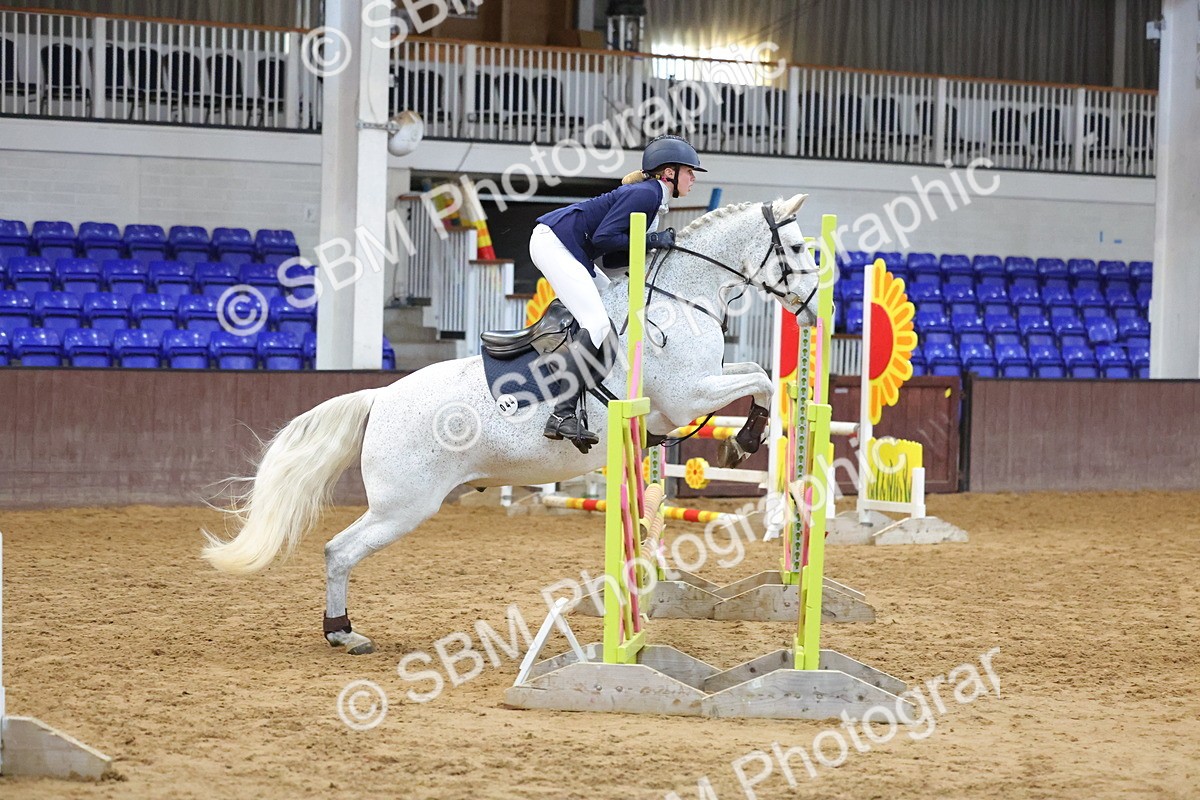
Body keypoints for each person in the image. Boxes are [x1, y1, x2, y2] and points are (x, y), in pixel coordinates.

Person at [530, 134, 705, 450]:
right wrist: (652, 242)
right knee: (596, 323)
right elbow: (605, 238)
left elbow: (611, 256)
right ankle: (562, 413)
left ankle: (597, 401)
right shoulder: (646, 194)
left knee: (614, 308)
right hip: (555, 243)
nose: (693, 178)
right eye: (689, 171)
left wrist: (652, 247)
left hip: (572, 248)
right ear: (668, 173)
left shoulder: (652, 199)